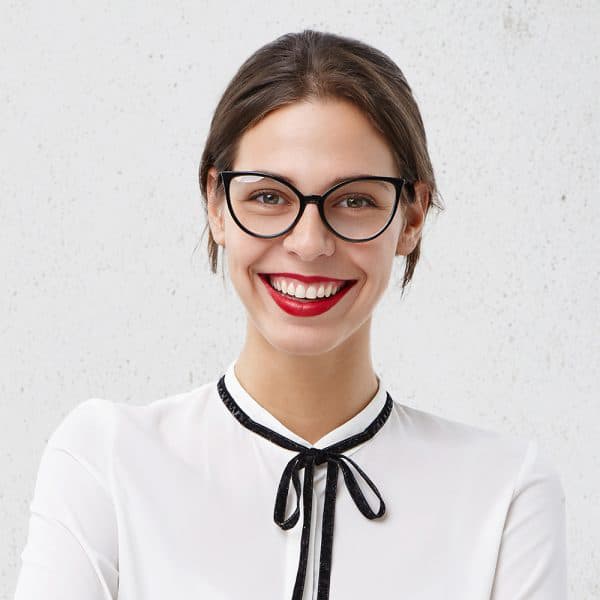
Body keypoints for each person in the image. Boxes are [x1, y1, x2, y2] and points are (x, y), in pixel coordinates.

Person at [14, 30, 567, 600]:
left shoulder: (506, 493)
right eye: (269, 196)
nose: (309, 243)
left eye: (355, 200)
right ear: (216, 205)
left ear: (412, 216)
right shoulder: (105, 460)